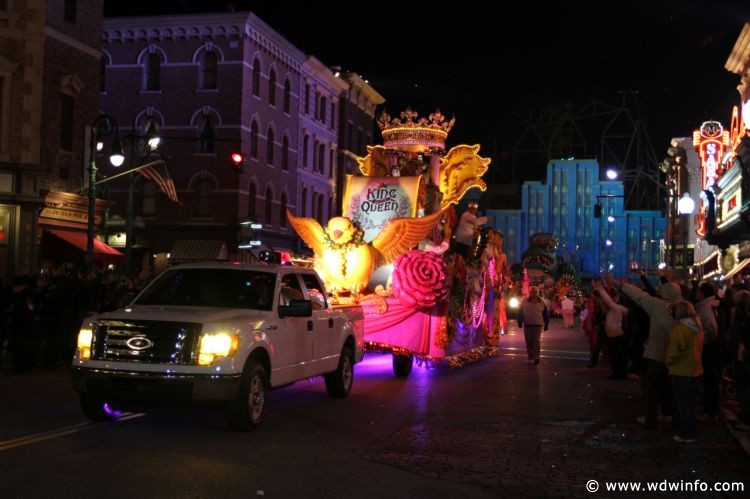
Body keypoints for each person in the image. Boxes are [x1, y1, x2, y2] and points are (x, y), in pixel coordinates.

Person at [605, 274, 680, 430]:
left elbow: (639, 295)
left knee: (651, 389)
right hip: (678, 356)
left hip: (657, 354)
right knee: (673, 390)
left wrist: (618, 284)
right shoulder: (685, 307)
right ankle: (674, 418)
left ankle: (650, 419)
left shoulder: (658, 305)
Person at [666, 299, 704, 443]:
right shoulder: (697, 328)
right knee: (689, 404)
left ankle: (688, 433)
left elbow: (673, 352)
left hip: (681, 371)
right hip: (694, 369)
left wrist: (669, 362)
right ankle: (691, 430)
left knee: (683, 404)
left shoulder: (680, 329)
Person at [517, 286, 549, 365]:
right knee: (529, 342)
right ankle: (530, 357)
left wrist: (546, 324)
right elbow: (519, 312)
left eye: (535, 292)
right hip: (527, 324)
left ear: (537, 293)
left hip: (538, 325)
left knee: (536, 342)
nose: (534, 294)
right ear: (530, 293)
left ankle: (536, 357)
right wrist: (519, 322)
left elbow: (546, 314)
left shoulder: (541, 302)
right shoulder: (524, 301)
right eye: (532, 292)